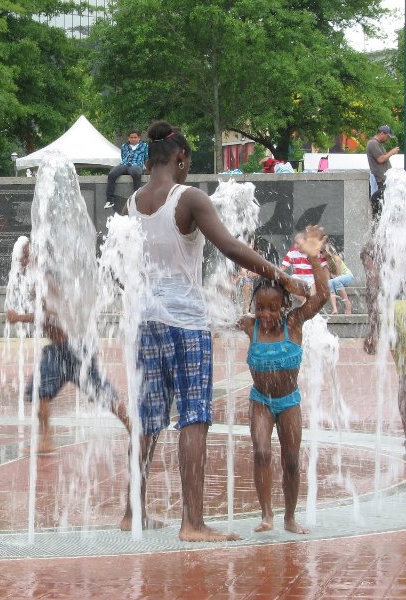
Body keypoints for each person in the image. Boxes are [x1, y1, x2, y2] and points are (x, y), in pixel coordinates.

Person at [119, 121, 308, 542]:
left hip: (146, 320)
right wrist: (283, 276)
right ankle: (193, 522)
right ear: (180, 158)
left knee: (148, 418)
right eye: (189, 161)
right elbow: (230, 246)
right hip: (186, 322)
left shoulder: (133, 202)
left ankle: (133, 510)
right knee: (194, 418)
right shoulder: (188, 198)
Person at [238, 224, 329, 535]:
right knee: (262, 452)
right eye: (260, 308)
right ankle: (267, 514)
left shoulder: (295, 322)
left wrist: (315, 257)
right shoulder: (249, 326)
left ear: (284, 306)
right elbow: (215, 314)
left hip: (289, 401)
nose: (266, 314)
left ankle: (290, 517)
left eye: (272, 307)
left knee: (291, 461)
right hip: (260, 401)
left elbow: (323, 295)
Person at [5, 241, 130, 453]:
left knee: (99, 392)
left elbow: (54, 314)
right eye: (20, 256)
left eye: (24, 256)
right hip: (62, 349)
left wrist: (20, 318)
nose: (21, 261)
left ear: (35, 255)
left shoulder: (46, 279)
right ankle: (46, 439)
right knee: (40, 391)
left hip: (71, 348)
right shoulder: (40, 279)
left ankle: (133, 425)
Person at [361, 242, 406, 453]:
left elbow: (372, 283)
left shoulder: (374, 245)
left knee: (404, 378)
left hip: (397, 311)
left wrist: (373, 330)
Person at [104, 130, 147, 212]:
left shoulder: (144, 145)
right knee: (112, 174)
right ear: (129, 138)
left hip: (136, 165)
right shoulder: (124, 146)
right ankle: (110, 200)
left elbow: (146, 158)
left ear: (139, 138)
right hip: (125, 164)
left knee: (136, 173)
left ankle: (137, 200)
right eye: (131, 137)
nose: (133, 139)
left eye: (135, 137)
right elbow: (123, 157)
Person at [280, 231, 328, 303]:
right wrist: (274, 275)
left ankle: (307, 305)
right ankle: (308, 305)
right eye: (294, 243)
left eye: (298, 243)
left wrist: (327, 281)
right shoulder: (292, 252)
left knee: (315, 284)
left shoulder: (315, 252)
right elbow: (283, 268)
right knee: (289, 283)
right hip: (298, 277)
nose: (295, 246)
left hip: (311, 277)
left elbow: (325, 268)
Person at [366, 125, 400, 222]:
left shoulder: (378, 144)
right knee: (379, 207)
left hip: (386, 181)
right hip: (381, 182)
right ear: (382, 133)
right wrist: (391, 152)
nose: (388, 139)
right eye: (388, 136)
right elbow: (380, 159)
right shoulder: (372, 143)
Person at [324, 240, 354, 315]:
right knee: (329, 283)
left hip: (347, 277)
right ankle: (334, 308)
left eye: (322, 252)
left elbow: (339, 275)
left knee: (336, 280)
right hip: (337, 280)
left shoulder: (336, 259)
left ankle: (347, 303)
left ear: (328, 253)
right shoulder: (325, 264)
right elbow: (328, 279)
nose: (321, 254)